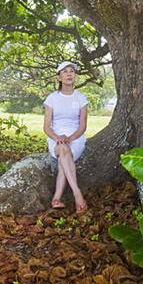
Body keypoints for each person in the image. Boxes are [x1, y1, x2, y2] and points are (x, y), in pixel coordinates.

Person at [43, 61, 88, 212]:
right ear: (59, 77)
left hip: (76, 139)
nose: (69, 74)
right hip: (56, 138)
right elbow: (46, 127)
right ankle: (77, 193)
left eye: (72, 71)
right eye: (65, 72)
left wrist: (71, 138)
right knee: (62, 149)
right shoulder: (52, 99)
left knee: (65, 155)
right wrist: (57, 138)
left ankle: (57, 198)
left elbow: (82, 126)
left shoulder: (81, 98)